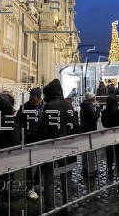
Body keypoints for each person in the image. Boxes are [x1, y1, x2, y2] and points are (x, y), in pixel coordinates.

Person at [39, 79, 76, 211]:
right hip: (68, 147)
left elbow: (44, 129)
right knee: (66, 176)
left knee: (49, 178)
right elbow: (76, 126)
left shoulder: (49, 106)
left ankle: (50, 207)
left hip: (51, 147)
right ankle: (68, 204)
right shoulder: (69, 105)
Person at [15, 88, 44, 200]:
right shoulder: (24, 107)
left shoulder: (44, 106)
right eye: (31, 97)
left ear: (39, 97)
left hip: (41, 139)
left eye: (34, 97)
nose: (32, 99)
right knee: (29, 165)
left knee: (40, 162)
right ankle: (30, 187)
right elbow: (17, 123)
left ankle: (36, 183)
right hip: (29, 139)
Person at [101, 95, 119, 177]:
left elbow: (104, 124)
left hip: (108, 135)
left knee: (109, 153)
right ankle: (118, 170)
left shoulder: (104, 112)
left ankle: (110, 170)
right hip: (118, 134)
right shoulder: (118, 111)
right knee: (118, 153)